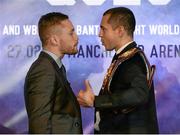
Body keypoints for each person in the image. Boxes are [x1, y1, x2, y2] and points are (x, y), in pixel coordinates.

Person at [77, 7, 159, 133]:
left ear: (120, 31)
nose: (100, 34)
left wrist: (96, 101)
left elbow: (139, 94)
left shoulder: (133, 60)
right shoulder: (125, 57)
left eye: (104, 29)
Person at [24, 12, 83, 134]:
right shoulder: (44, 71)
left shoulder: (52, 67)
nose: (76, 37)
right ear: (54, 40)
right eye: (71, 33)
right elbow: (40, 126)